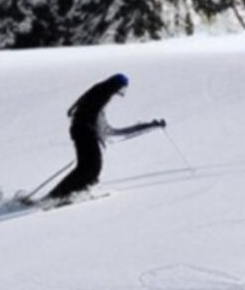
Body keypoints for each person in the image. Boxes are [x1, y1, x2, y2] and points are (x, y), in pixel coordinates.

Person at [45, 73, 164, 201]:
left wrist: (147, 127)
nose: (120, 93)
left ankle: (61, 194)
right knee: (91, 169)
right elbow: (104, 127)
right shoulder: (101, 94)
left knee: (88, 169)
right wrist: (148, 126)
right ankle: (61, 195)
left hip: (83, 133)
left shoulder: (98, 97)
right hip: (86, 133)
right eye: (122, 89)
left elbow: (107, 130)